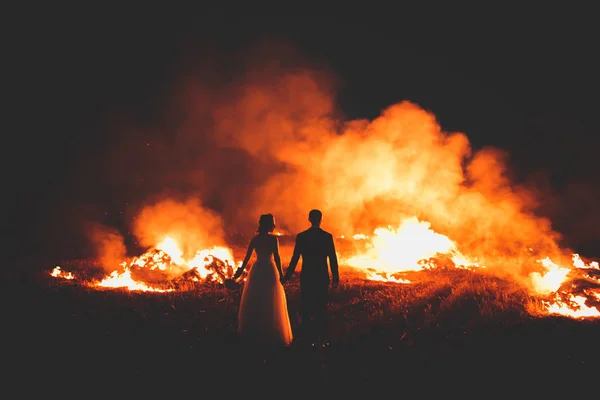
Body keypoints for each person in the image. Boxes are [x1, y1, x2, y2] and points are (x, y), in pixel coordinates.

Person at [232, 213, 293, 350]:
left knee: (256, 298)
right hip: (269, 269)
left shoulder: (255, 239)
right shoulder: (273, 240)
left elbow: (246, 258)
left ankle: (254, 332)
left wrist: (239, 272)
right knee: (270, 299)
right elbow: (276, 257)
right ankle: (270, 332)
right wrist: (281, 275)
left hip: (258, 268)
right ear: (270, 225)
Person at [282, 209, 339, 342]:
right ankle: (319, 335)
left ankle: (306, 335)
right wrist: (335, 277)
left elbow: (295, 258)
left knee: (306, 304)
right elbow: (332, 258)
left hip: (307, 275)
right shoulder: (327, 236)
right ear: (321, 219)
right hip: (321, 275)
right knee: (320, 305)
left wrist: (287, 276)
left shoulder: (302, 236)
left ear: (309, 219)